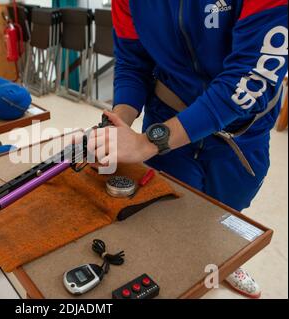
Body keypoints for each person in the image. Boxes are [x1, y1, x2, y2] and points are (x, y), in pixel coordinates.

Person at [87, 0, 288, 298]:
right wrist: (119, 123)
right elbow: (132, 63)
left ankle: (224, 259)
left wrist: (147, 143)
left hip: (242, 128)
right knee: (168, 214)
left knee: (230, 208)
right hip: (168, 111)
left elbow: (251, 78)